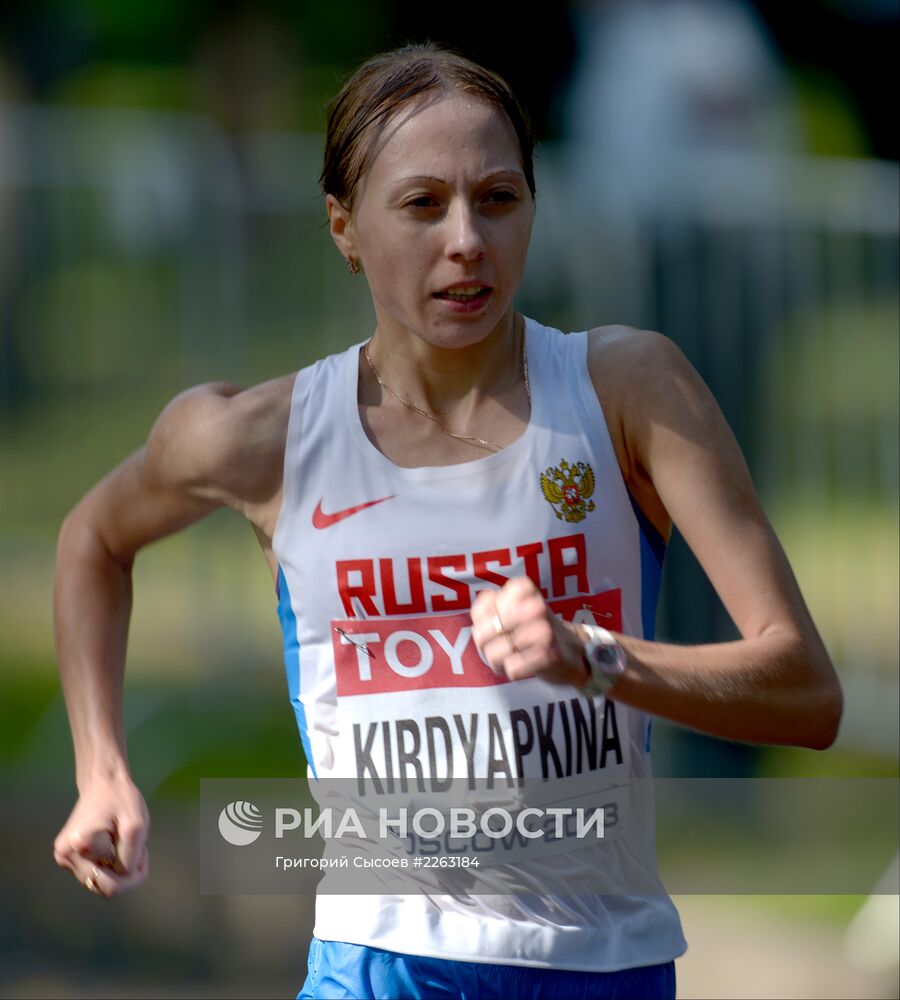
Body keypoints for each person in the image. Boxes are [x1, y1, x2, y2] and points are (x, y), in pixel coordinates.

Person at [52, 42, 843, 1000]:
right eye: (422, 204)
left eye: (498, 200)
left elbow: (806, 692)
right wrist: (101, 770)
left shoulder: (629, 392)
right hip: (378, 961)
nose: (466, 240)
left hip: (603, 961)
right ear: (344, 228)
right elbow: (94, 540)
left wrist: (592, 656)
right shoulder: (263, 439)